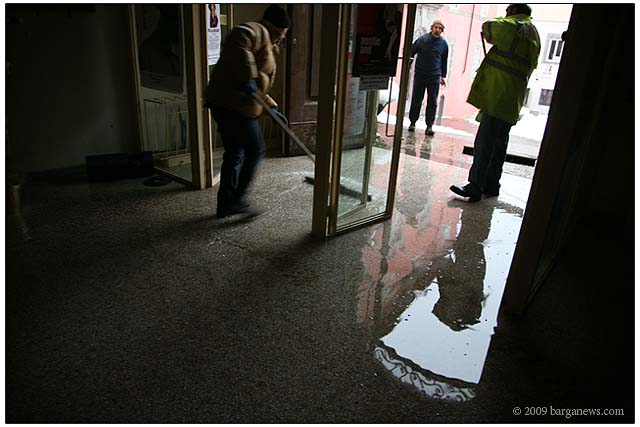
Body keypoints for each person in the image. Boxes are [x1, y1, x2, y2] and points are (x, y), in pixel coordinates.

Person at [205, 5, 290, 218]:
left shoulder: (268, 44)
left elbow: (258, 88)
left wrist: (272, 108)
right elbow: (239, 39)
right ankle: (236, 200)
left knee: (235, 154)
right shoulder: (255, 30)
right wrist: (248, 77)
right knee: (255, 150)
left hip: (228, 103)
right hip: (233, 105)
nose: (282, 38)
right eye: (281, 33)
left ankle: (226, 203)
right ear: (273, 27)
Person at [450, 4, 540, 202]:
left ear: (513, 12)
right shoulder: (533, 32)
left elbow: (488, 27)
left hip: (498, 94)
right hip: (511, 98)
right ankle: (491, 185)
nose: (505, 15)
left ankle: (475, 186)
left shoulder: (515, 26)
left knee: (485, 142)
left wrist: (505, 19)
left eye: (507, 12)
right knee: (499, 144)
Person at [408, 20, 448, 136]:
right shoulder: (422, 40)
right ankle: (412, 122)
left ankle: (429, 126)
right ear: (432, 28)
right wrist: (409, 64)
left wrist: (443, 76)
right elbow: (411, 51)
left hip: (434, 76)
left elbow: (444, 61)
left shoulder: (444, 44)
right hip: (420, 74)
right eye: (436, 27)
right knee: (416, 99)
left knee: (432, 101)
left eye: (440, 28)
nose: (437, 30)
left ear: (442, 30)